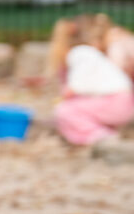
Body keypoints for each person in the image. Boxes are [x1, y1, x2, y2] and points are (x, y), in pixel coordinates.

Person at [48, 16, 134, 147]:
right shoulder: (95, 55)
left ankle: (102, 137)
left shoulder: (79, 52)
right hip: (125, 102)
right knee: (80, 107)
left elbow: (77, 84)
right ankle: (105, 133)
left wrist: (68, 92)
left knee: (64, 111)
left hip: (116, 101)